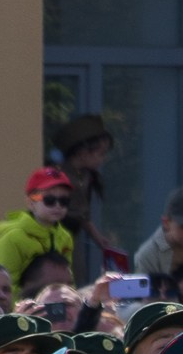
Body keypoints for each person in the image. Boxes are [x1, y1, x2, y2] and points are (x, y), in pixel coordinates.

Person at [54, 115, 129, 275]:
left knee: (75, 274)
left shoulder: (86, 176)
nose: (103, 159)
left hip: (73, 240)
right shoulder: (60, 177)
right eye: (100, 154)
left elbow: (83, 215)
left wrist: (97, 237)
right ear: (82, 152)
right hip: (56, 238)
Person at [0, 167, 75, 289]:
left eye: (64, 201)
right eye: (49, 200)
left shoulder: (65, 237)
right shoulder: (13, 238)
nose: (58, 206)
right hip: (22, 306)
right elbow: (4, 287)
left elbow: (68, 280)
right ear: (31, 202)